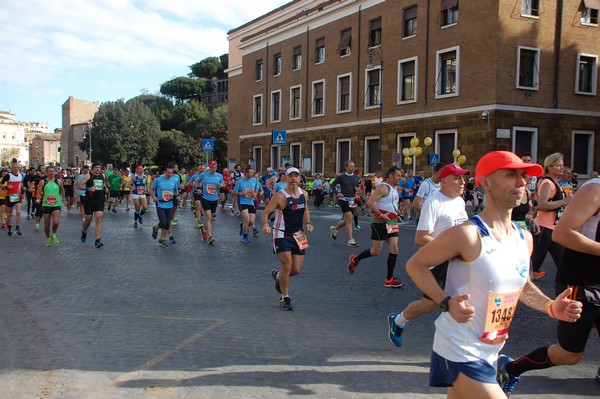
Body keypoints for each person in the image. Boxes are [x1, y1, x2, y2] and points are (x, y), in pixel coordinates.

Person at [405, 151, 582, 399]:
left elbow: (523, 285)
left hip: (492, 351)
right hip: (459, 350)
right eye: (511, 175)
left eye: (523, 176)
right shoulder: (467, 234)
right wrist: (445, 302)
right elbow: (416, 265)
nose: (522, 182)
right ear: (485, 183)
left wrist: (552, 307)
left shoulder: (524, 239)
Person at [496, 176, 599, 395]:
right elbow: (562, 233)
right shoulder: (595, 190)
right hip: (582, 281)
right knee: (569, 354)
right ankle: (512, 368)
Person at [388, 164, 470, 345]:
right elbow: (420, 238)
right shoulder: (434, 203)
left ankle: (460, 342)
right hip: (438, 262)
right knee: (431, 304)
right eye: (457, 178)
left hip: (458, 261)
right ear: (445, 180)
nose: (462, 182)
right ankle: (398, 320)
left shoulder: (459, 201)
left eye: (463, 178)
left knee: (465, 297)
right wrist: (449, 247)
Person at [262, 167, 314, 311]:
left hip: (298, 234)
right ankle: (285, 297)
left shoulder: (304, 194)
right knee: (287, 265)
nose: (293, 179)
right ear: (285, 178)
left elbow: (305, 209)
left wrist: (308, 223)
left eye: (296, 176)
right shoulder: (280, 196)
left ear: (299, 178)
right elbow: (266, 212)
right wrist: (266, 225)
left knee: (296, 270)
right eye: (290, 176)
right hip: (281, 233)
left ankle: (278, 275)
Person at [346, 166, 405, 288]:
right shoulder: (383, 187)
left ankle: (389, 279)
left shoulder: (394, 189)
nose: (400, 178)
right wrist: (381, 215)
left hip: (392, 222)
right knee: (376, 251)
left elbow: (389, 203)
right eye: (398, 175)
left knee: (394, 249)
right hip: (379, 222)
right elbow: (370, 202)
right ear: (390, 176)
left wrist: (397, 211)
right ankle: (355, 259)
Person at [530, 153, 571, 279]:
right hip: (543, 228)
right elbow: (542, 204)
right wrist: (564, 201)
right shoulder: (547, 183)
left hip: (554, 229)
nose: (562, 168)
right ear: (549, 166)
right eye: (559, 165)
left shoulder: (557, 183)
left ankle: (567, 287)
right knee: (534, 264)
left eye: (562, 165)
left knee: (563, 262)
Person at [329, 160, 360, 247]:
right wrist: (337, 193)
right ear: (346, 167)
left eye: (354, 166)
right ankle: (350, 240)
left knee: (346, 220)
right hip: (344, 200)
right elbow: (332, 185)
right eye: (351, 166)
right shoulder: (341, 177)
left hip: (352, 200)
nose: (353, 168)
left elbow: (355, 186)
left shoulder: (355, 177)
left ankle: (335, 229)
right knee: (349, 219)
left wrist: (357, 189)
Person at [149, 163, 179, 247]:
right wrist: (153, 196)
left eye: (171, 173)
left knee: (167, 223)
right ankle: (156, 227)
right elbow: (151, 189)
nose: (170, 174)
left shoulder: (174, 180)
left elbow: (176, 190)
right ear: (165, 172)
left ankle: (162, 239)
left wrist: (178, 196)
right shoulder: (158, 180)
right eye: (168, 172)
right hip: (160, 204)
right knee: (163, 222)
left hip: (169, 204)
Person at [77, 161, 106, 248]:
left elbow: (102, 185)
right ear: (93, 168)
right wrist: (88, 188)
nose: (98, 169)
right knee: (88, 220)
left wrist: (106, 189)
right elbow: (79, 185)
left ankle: (97, 240)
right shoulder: (88, 176)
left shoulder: (102, 176)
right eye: (96, 167)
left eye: (99, 168)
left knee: (99, 218)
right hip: (89, 200)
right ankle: (84, 231)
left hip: (99, 199)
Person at [196, 160, 224, 244]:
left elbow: (222, 184)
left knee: (210, 218)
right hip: (205, 198)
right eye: (212, 167)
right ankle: (210, 235)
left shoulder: (219, 176)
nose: (214, 169)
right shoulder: (203, 174)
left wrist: (221, 186)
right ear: (209, 167)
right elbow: (197, 181)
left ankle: (204, 230)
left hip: (214, 199)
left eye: (215, 167)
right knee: (208, 217)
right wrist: (198, 189)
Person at [36, 165, 65, 247]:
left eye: (53, 171)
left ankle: (54, 234)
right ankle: (48, 238)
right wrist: (38, 199)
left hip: (56, 204)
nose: (52, 173)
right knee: (47, 224)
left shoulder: (58, 181)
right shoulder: (43, 182)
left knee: (55, 222)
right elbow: (38, 192)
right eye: (50, 171)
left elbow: (62, 189)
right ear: (46, 173)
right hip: (46, 205)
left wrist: (64, 199)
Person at [233, 166, 262, 244]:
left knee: (251, 222)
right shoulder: (240, 182)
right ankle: (245, 236)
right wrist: (241, 193)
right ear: (246, 173)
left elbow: (258, 189)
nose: (252, 174)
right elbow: (234, 192)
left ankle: (242, 225)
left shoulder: (254, 180)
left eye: (253, 172)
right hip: (242, 202)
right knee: (246, 219)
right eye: (251, 172)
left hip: (251, 202)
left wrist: (256, 193)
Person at [0, 160, 25, 236]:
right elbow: (1, 184)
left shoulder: (20, 175)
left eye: (17, 167)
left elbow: (21, 184)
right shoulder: (8, 175)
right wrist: (6, 187)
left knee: (18, 212)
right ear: (11, 168)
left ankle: (17, 228)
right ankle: (9, 226)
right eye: (14, 167)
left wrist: (23, 188)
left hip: (17, 196)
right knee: (9, 214)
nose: (16, 169)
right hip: (9, 196)